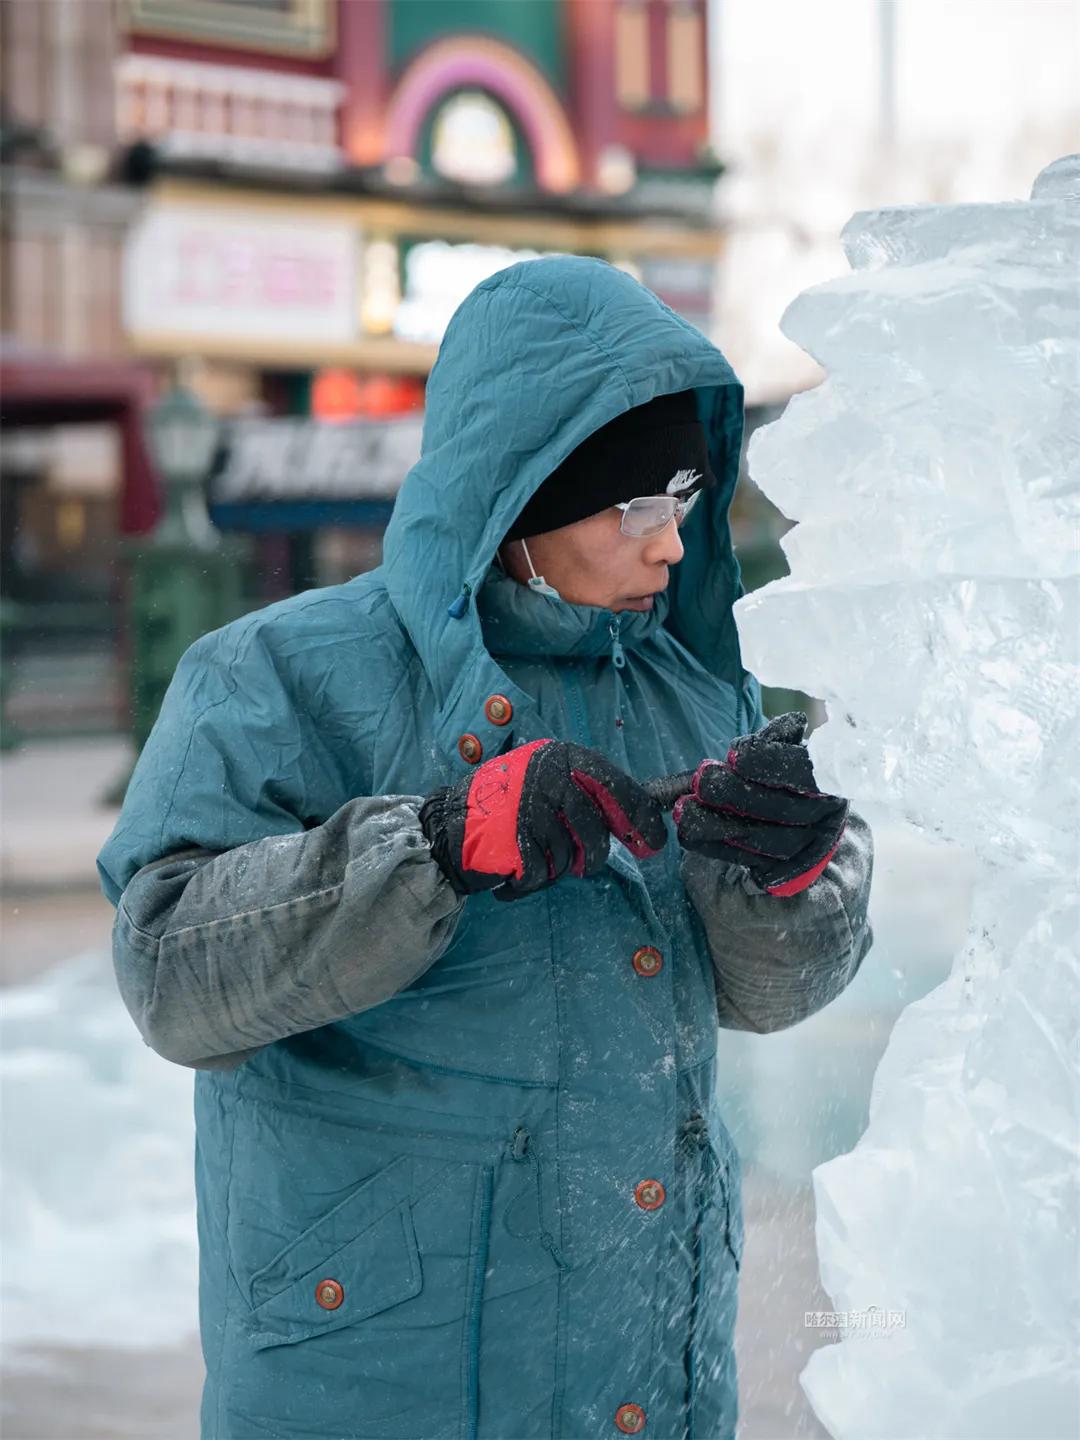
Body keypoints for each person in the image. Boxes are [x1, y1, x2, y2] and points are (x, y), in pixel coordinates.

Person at [98, 256, 874, 1440]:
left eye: (688, 503)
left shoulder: (692, 689)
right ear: (521, 496)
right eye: (640, 509)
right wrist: (434, 848)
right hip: (378, 1375)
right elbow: (170, 977)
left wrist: (790, 878)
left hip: (647, 1370)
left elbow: (770, 996)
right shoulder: (277, 678)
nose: (674, 547)